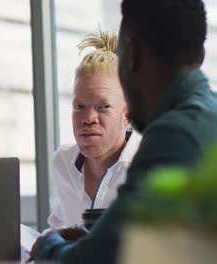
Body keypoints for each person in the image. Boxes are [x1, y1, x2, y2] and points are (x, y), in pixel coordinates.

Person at [33, 0, 217, 263]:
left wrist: (47, 245)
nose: (89, 118)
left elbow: (91, 261)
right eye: (79, 106)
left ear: (132, 55)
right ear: (198, 54)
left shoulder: (175, 135)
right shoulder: (209, 115)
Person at [48, 30, 141, 229]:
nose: (88, 119)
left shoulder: (148, 165)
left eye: (103, 107)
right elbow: (57, 231)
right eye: (79, 106)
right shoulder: (63, 163)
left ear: (127, 116)